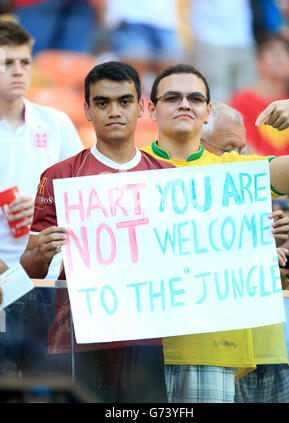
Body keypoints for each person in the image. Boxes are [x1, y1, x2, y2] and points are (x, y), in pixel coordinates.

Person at [141, 63, 289, 403]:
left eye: (195, 98)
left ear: (207, 111)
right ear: (150, 108)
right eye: (172, 97)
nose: (185, 104)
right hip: (138, 350)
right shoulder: (122, 171)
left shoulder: (235, 170)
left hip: (210, 354)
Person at [19, 61, 174, 403]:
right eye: (102, 103)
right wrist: (41, 252)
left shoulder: (169, 177)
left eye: (124, 101)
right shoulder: (59, 175)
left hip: (147, 335)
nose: (114, 111)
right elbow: (32, 269)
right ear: (87, 110)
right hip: (76, 334)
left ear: (142, 107)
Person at [0, 20, 83, 377]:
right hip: (2, 276)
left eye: (25, 62)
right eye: (7, 63)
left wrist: (42, 206)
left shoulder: (56, 123)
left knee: (46, 383)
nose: (18, 71)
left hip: (45, 280)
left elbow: (81, 194)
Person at [201, 101, 289, 403]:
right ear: (199, 143)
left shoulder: (248, 182)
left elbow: (279, 280)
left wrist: (277, 257)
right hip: (215, 354)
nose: (237, 158)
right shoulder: (176, 181)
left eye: (242, 149)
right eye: (228, 147)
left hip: (267, 345)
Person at [229, 32, 289, 156]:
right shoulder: (240, 101)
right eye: (272, 53)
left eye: (285, 53)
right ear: (258, 63)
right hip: (259, 172)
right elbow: (242, 147)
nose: (279, 57)